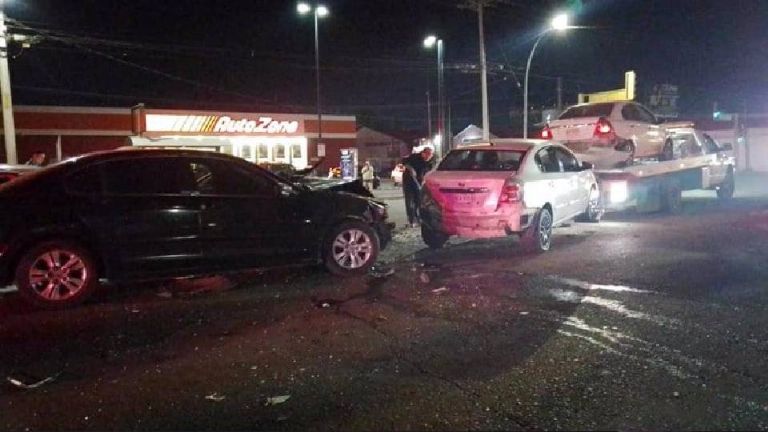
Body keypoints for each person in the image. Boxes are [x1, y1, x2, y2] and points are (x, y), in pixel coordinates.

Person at [401, 147, 435, 228]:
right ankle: (411, 220)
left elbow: (428, 173)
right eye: (427, 155)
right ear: (423, 153)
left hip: (419, 183)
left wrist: (424, 180)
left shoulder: (429, 162)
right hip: (408, 182)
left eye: (430, 156)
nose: (429, 157)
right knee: (410, 201)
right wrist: (410, 168)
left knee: (419, 201)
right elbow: (403, 161)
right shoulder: (414, 157)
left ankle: (419, 219)